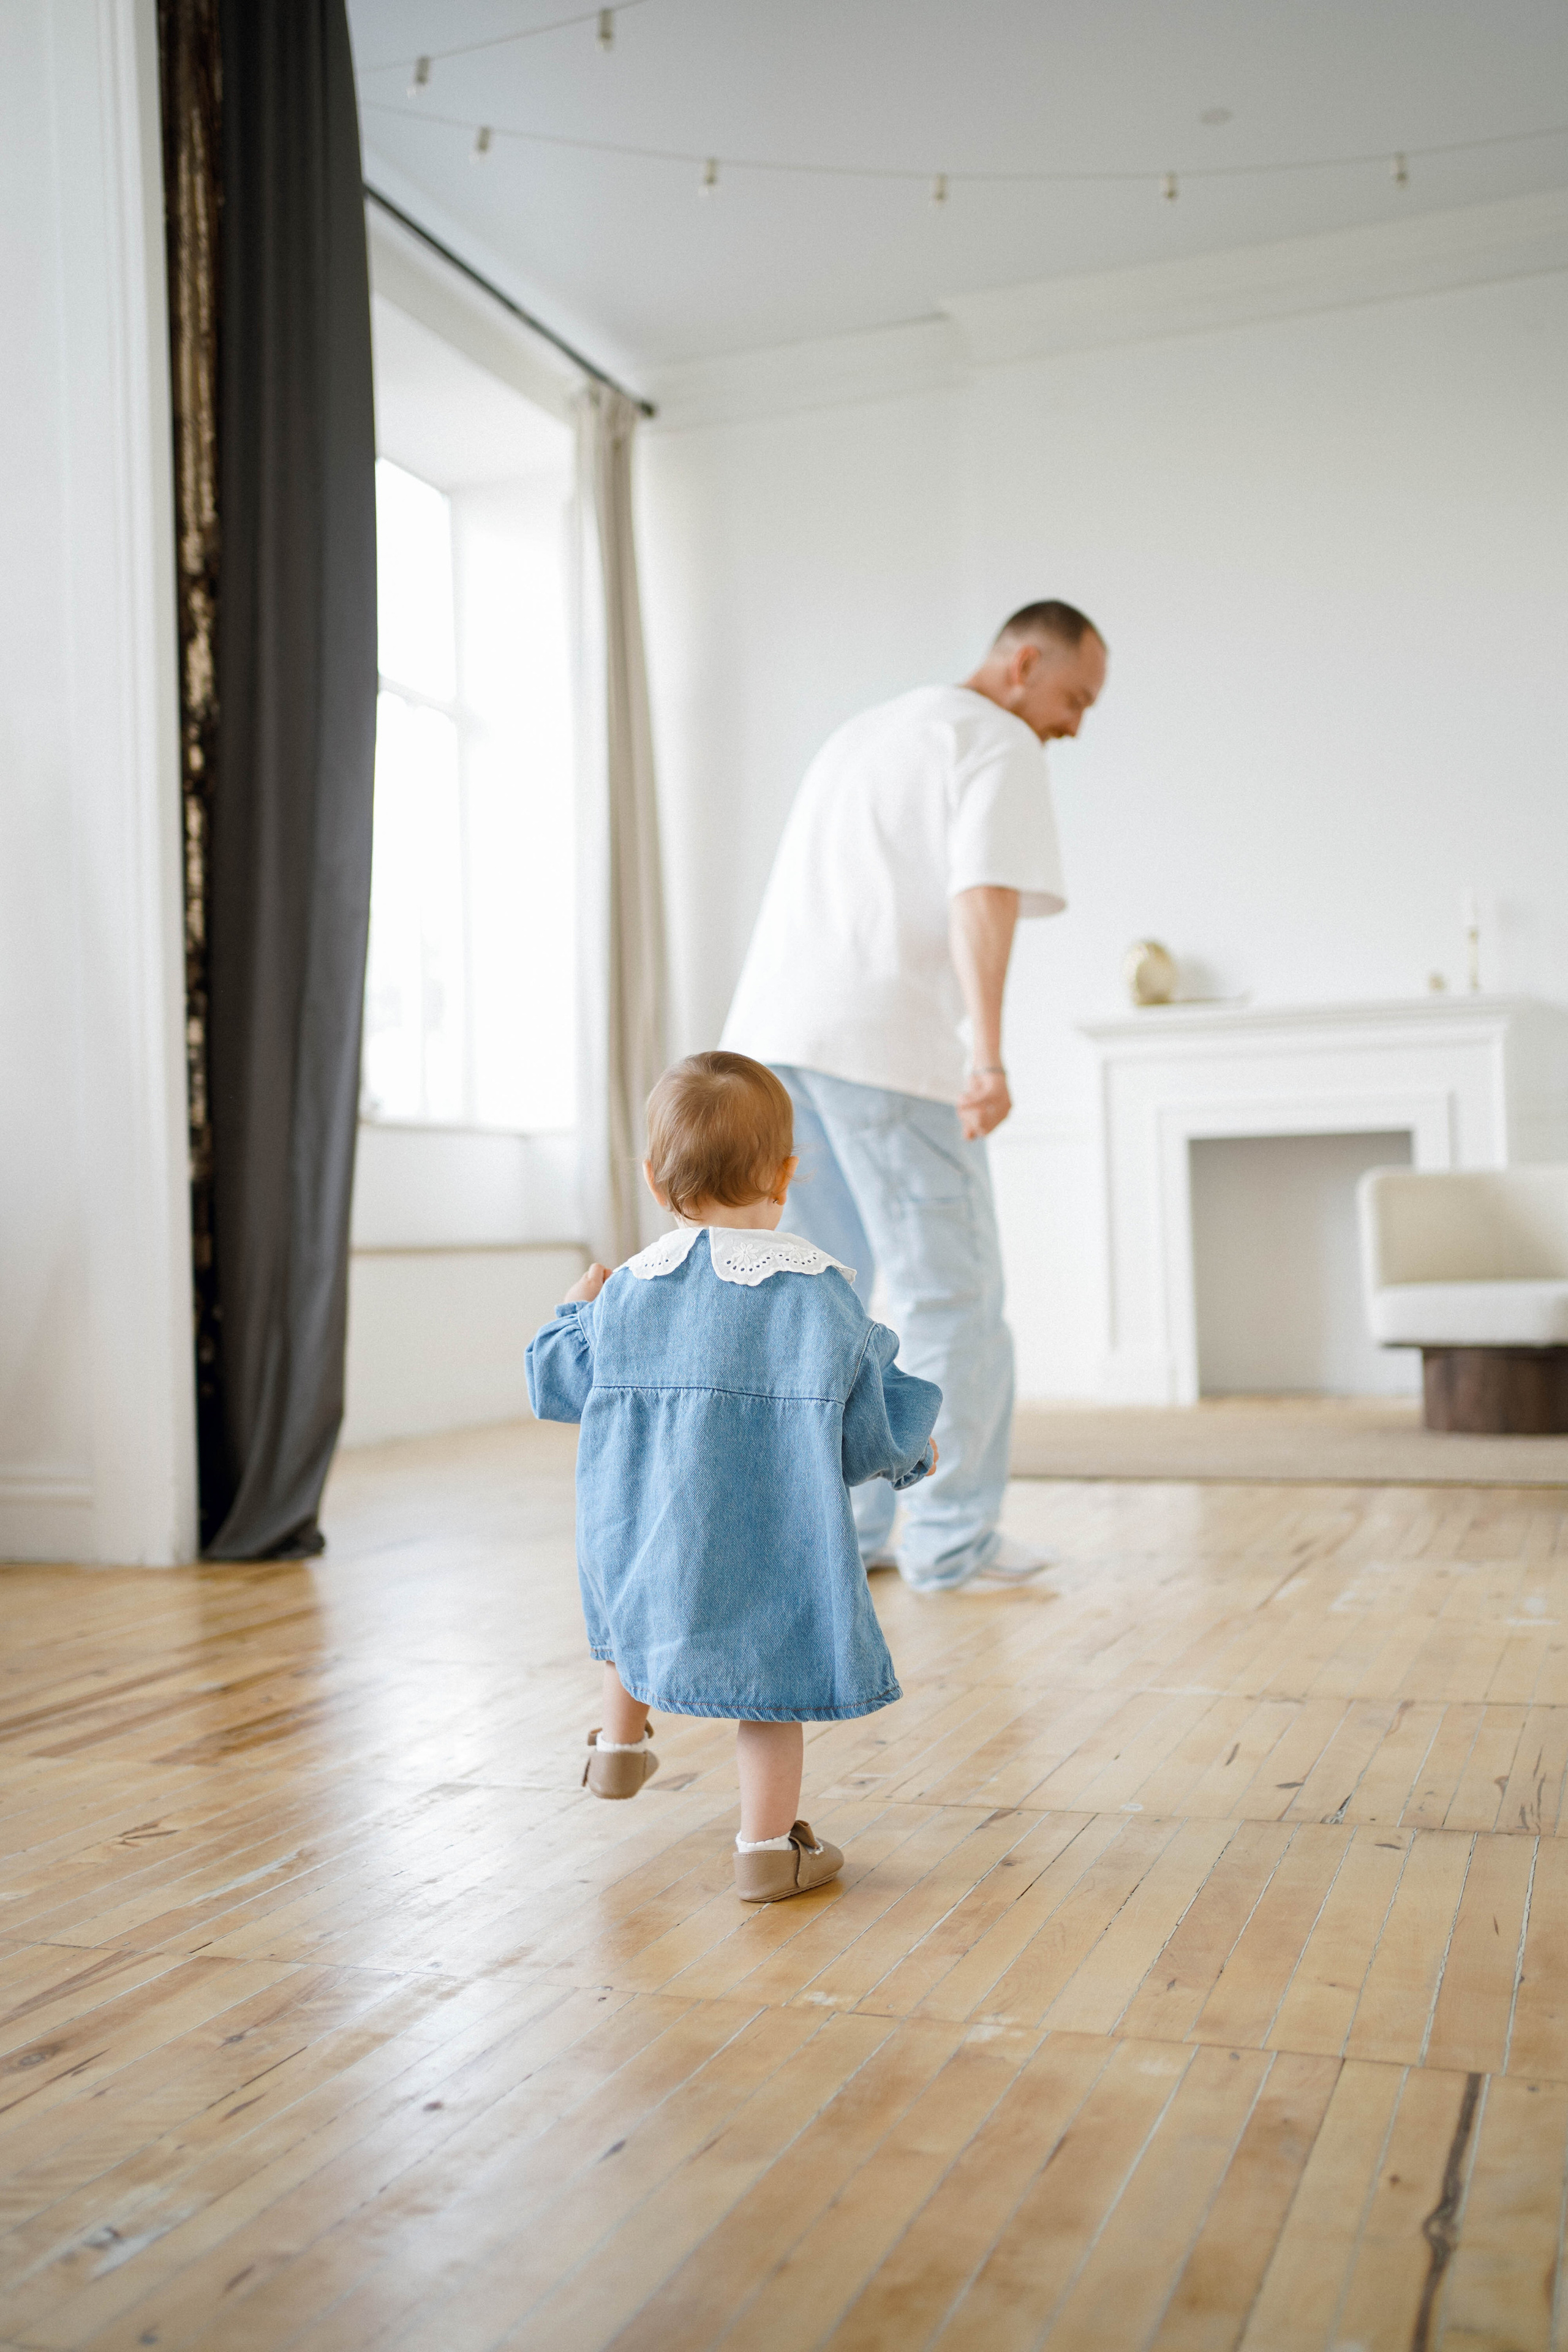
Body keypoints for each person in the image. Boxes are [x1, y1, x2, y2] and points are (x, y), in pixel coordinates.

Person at [721, 600, 1107, 1593]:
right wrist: (988, 1054)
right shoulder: (996, 736)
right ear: (1023, 664)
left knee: (829, 1298)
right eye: (1073, 697)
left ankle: (855, 1535)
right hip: (886, 1047)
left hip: (774, 1046)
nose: (1073, 724)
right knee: (953, 1295)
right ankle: (953, 1543)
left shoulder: (868, 731)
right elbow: (983, 892)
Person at [526, 1051, 941, 1905]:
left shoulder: (627, 1293)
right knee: (769, 1693)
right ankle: (765, 1849)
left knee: (633, 1614)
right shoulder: (818, 1299)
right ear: (787, 1175)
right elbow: (870, 1421)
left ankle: (616, 1748)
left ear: (653, 1179)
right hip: (767, 1552)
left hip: (645, 1535)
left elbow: (554, 1385)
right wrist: (913, 1455)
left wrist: (575, 1310)